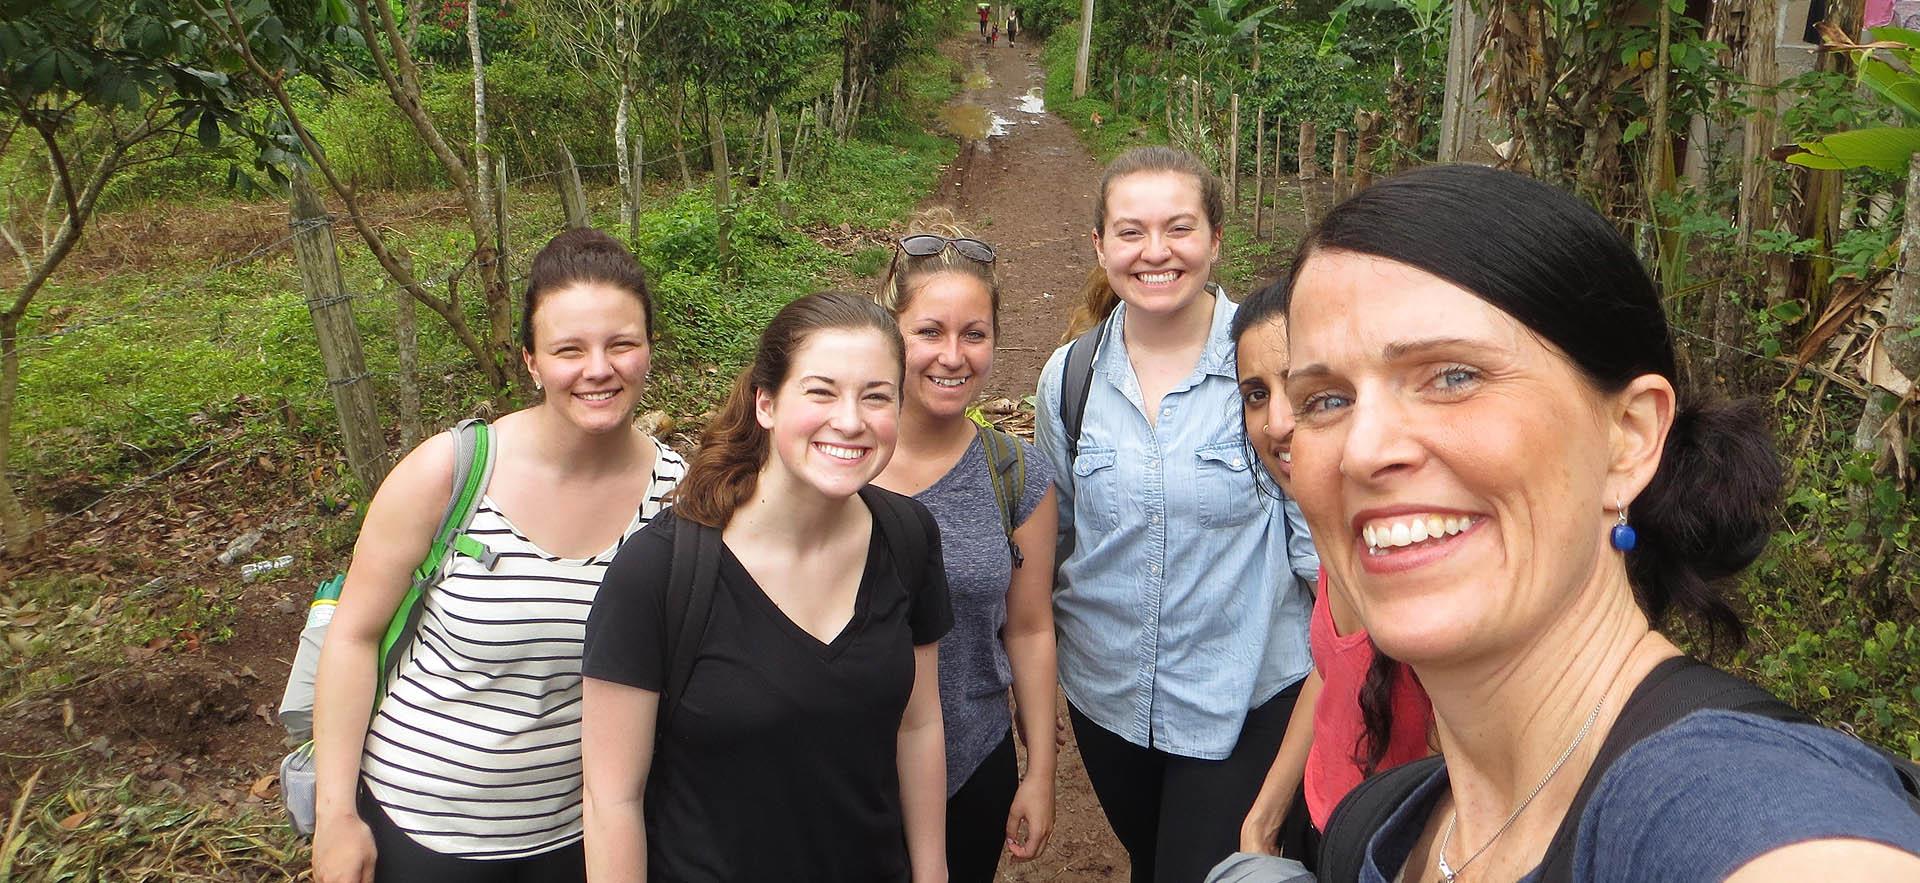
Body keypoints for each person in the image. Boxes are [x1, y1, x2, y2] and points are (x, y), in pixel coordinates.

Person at [1280, 164, 1920, 882]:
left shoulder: (1715, 799)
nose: (1364, 452)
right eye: (1325, 400)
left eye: (1453, 376)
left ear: (1630, 435)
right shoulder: (1379, 826)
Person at [310, 229, 686, 883]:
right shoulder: (452, 472)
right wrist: (336, 814)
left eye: (621, 343)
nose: (599, 368)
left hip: (584, 833)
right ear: (532, 362)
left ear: (648, 349)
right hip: (422, 827)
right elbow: (354, 635)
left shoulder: (679, 497)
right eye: (569, 349)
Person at [579, 292, 953, 883]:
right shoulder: (658, 574)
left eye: (876, 396)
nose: (850, 421)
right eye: (821, 391)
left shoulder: (907, 537)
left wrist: (932, 873)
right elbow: (611, 801)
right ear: (767, 403)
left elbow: (919, 724)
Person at [1034, 145, 1319, 883]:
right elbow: (1058, 535)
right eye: (1130, 232)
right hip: (1108, 696)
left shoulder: (1268, 364)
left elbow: (1324, 565)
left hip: (1244, 696)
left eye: (1179, 229)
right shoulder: (1069, 376)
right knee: (1152, 858)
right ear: (1100, 246)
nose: (1155, 252)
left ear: (1216, 240)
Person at [872, 209, 1059, 881]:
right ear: (889, 332)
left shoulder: (1015, 475)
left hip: (970, 762)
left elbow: (1031, 628)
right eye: (930, 331)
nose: (953, 356)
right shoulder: (837, 465)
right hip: (844, 771)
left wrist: (1040, 769)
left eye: (974, 334)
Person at [1230, 279, 1435, 868]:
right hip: (1329, 823)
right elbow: (1334, 670)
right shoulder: (1336, 526)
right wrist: (1266, 814)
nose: (1277, 423)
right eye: (1256, 395)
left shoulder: (1412, 546)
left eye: (1309, 392)